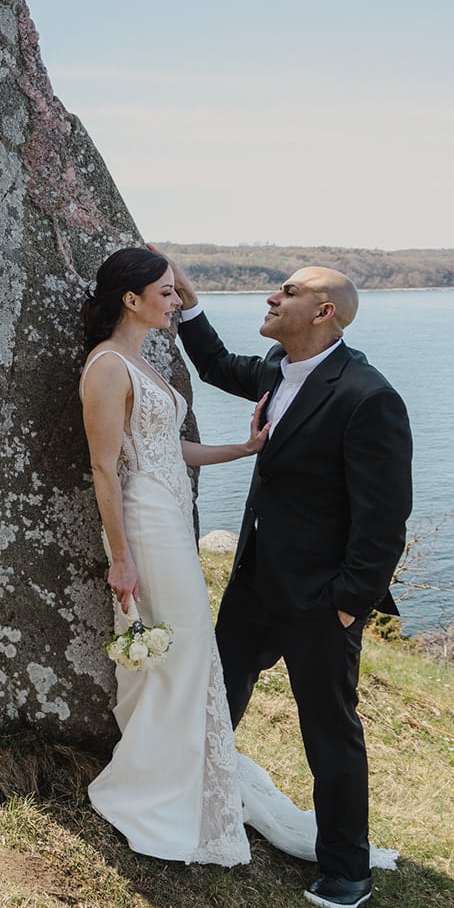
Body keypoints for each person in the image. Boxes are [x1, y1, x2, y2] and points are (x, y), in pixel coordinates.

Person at [168, 254, 412, 908]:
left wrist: (344, 606)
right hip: (254, 589)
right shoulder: (279, 369)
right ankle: (192, 809)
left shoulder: (368, 395)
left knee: (329, 736)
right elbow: (219, 366)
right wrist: (188, 306)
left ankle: (346, 873)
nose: (273, 296)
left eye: (289, 290)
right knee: (214, 701)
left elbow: (385, 521)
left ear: (323, 311)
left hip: (319, 604)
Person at [79, 246, 269, 866]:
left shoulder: (142, 360)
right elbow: (105, 470)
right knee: (178, 654)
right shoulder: (107, 367)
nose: (176, 300)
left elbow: (173, 451)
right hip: (145, 528)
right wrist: (120, 557)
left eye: (176, 291)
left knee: (188, 652)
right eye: (165, 292)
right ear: (129, 300)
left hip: (171, 522)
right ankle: (157, 787)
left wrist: (244, 449)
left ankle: (187, 776)